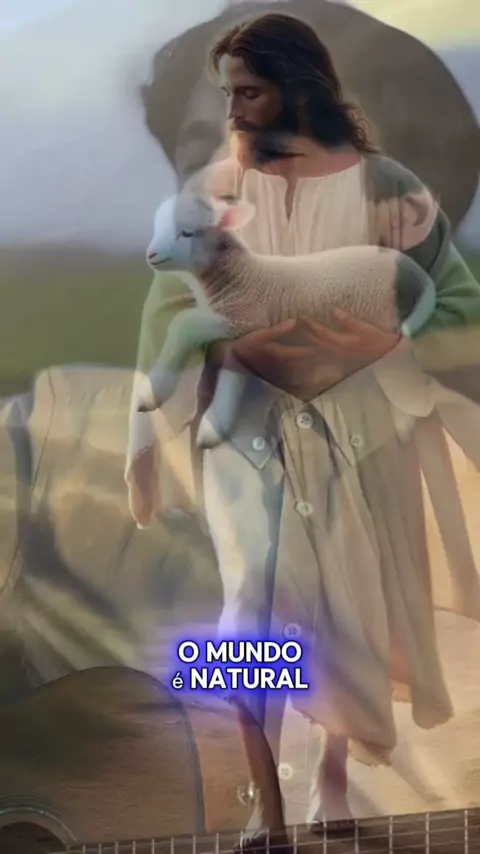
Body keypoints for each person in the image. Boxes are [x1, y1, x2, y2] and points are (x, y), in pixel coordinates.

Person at [126, 9, 480, 848]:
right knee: (252, 606)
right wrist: (144, 441)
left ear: (298, 86)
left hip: (359, 433)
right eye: (228, 95)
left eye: (249, 92)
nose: (236, 110)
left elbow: (457, 306)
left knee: (347, 609)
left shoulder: (387, 189)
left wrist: (383, 344)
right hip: (246, 433)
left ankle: (331, 777)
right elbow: (168, 315)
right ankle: (267, 803)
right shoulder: (212, 195)